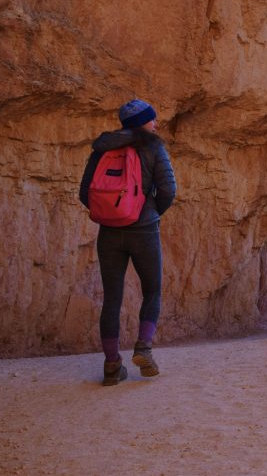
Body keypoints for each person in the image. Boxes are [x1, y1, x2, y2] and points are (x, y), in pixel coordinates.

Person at [79, 99, 177, 386]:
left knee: (111, 297)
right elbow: (169, 189)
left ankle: (111, 366)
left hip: (109, 232)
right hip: (144, 229)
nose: (155, 124)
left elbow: (86, 193)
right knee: (153, 291)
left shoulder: (102, 148)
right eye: (152, 119)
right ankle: (143, 348)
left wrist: (111, 213)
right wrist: (149, 212)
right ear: (142, 122)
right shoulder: (154, 147)